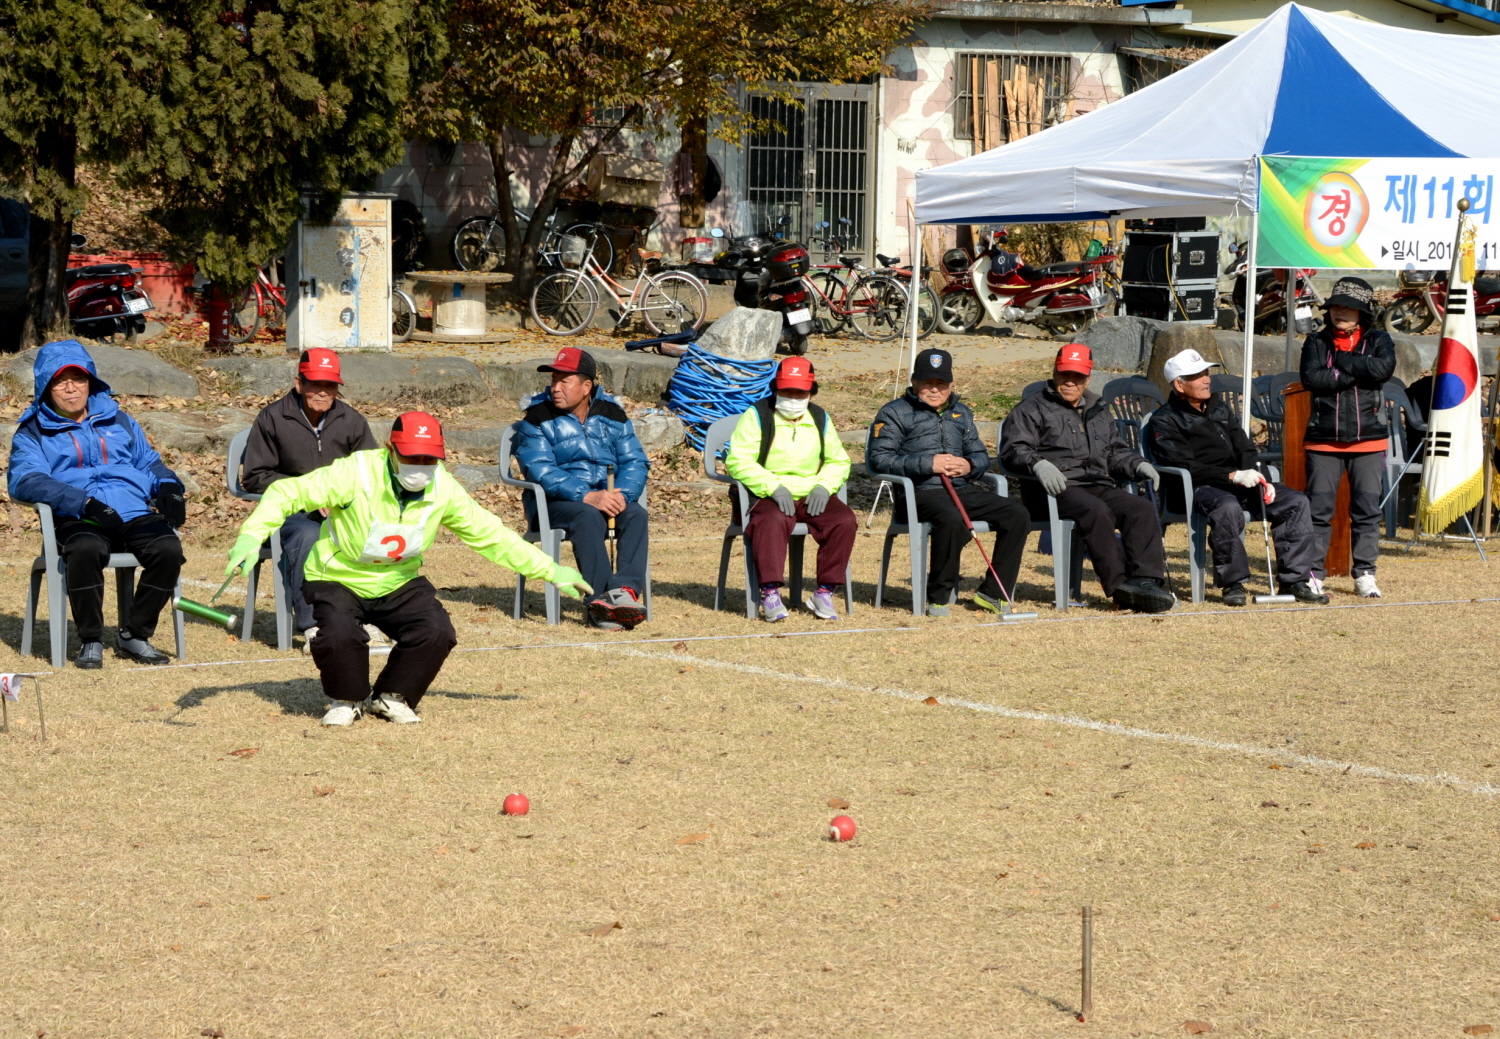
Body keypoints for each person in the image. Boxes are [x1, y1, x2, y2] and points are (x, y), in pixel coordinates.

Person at [226, 412, 590, 727]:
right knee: (338, 635)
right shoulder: (356, 471)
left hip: (399, 579)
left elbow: (490, 534)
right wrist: (250, 537)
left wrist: (551, 570)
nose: (420, 467)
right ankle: (347, 699)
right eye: (411, 457)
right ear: (391, 450)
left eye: (429, 460)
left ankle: (390, 696)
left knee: (436, 631)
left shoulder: (443, 487)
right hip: (339, 575)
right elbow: (286, 494)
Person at [7, 340, 187, 667]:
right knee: (86, 549)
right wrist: (84, 503)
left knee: (168, 550)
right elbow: (25, 480)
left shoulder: (120, 421)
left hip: (134, 512)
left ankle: (135, 634)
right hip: (80, 517)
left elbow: (150, 462)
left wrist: (170, 486)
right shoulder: (32, 432)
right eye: (61, 381)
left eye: (79, 379)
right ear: (46, 386)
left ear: (91, 381)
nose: (72, 388)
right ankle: (90, 639)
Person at [1000, 343, 1173, 613]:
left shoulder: (1099, 409)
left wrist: (1138, 464)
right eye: (1064, 374)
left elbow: (1114, 450)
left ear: (1089, 378)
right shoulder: (1031, 408)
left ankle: (1146, 582)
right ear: (1054, 373)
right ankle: (1120, 588)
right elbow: (1013, 449)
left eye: (1078, 376)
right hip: (1051, 490)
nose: (1070, 382)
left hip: (1096, 483)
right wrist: (1039, 464)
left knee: (1140, 508)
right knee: (1097, 511)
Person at [1145, 349, 1326, 606]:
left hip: (1239, 483)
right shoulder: (1165, 420)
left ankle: (1295, 580)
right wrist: (1232, 475)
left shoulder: (1220, 408)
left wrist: (1261, 478)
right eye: (1198, 375)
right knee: (1227, 507)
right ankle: (1233, 583)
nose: (1207, 379)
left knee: (1295, 502)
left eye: (1207, 373)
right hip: (1197, 487)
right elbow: (1183, 464)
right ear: (1179, 384)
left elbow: (1246, 449)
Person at [868, 347, 1031, 617]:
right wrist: (928, 463)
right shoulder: (894, 412)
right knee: (952, 517)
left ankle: (992, 592)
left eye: (941, 384)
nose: (934, 390)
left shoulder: (961, 413)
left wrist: (969, 465)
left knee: (1017, 514)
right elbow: (880, 460)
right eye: (927, 383)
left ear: (950, 384)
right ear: (914, 382)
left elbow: (978, 454)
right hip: (918, 494)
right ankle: (939, 597)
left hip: (961, 489)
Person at [240, 348, 377, 648]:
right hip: (288, 514)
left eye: (330, 386)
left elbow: (372, 472)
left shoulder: (351, 420)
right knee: (308, 534)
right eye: (315, 384)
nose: (323, 392)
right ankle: (314, 625)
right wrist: (310, 495)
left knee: (377, 531)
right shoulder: (273, 417)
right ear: (299, 384)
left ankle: (368, 617)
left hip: (340, 509)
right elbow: (256, 476)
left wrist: (346, 497)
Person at [513, 347, 650, 631]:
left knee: (636, 514)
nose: (556, 388)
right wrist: (587, 495)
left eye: (565, 381)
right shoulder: (536, 419)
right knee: (586, 515)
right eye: (554, 380)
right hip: (552, 505)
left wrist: (621, 494)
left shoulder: (613, 415)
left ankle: (623, 592)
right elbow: (540, 469)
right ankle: (601, 602)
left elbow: (634, 460)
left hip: (606, 497)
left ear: (586, 386)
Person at [724, 357, 855, 622]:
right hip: (767, 492)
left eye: (800, 392)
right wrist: (773, 486)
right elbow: (738, 460)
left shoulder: (819, 417)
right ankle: (770, 593)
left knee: (844, 520)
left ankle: (824, 591)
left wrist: (823, 486)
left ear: (811, 392)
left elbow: (838, 460)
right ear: (775, 389)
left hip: (811, 492)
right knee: (772, 520)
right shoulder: (757, 415)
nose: (793, 397)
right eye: (786, 391)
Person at [1299, 276, 1396, 598]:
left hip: (1369, 439)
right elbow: (1313, 379)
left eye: (1348, 308)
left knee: (1367, 510)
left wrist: (1341, 364)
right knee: (1318, 510)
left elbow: (1383, 369)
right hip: (1323, 439)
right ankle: (1314, 573)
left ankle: (1365, 574)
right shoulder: (1316, 342)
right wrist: (1355, 370)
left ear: (1362, 314)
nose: (1340, 312)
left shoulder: (1381, 339)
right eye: (1336, 306)